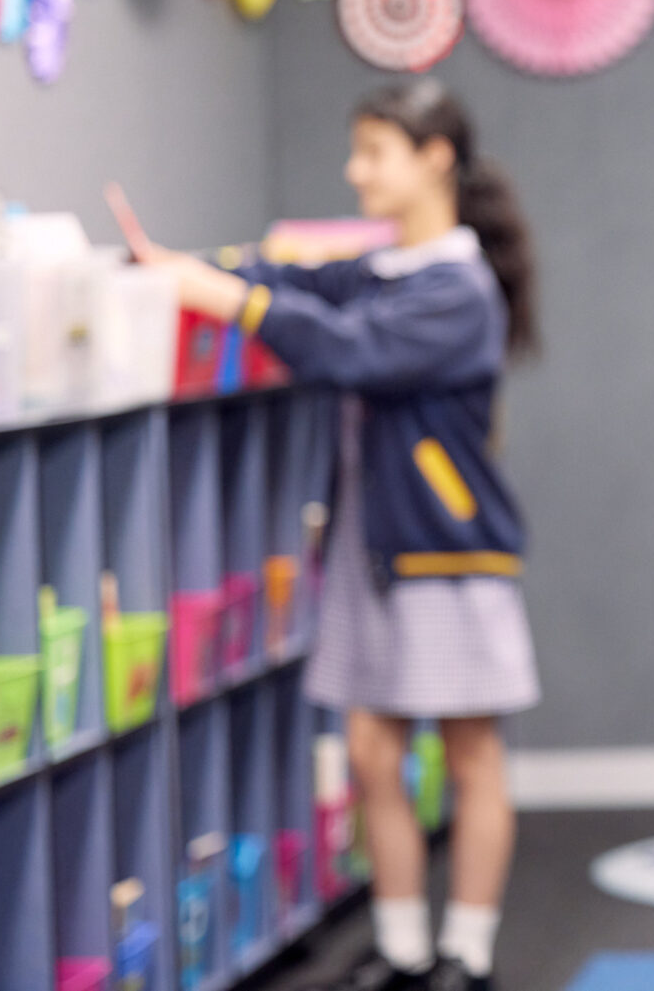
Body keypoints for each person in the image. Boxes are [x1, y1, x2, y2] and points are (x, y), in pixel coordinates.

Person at [143, 79, 541, 991]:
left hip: (446, 553)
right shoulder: (387, 269)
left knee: (472, 754)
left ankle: (468, 956)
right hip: (375, 552)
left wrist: (222, 296)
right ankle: (403, 948)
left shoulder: (458, 290)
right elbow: (303, 284)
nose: (356, 171)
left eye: (374, 152)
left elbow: (346, 348)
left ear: (434, 159)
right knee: (371, 752)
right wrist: (206, 268)